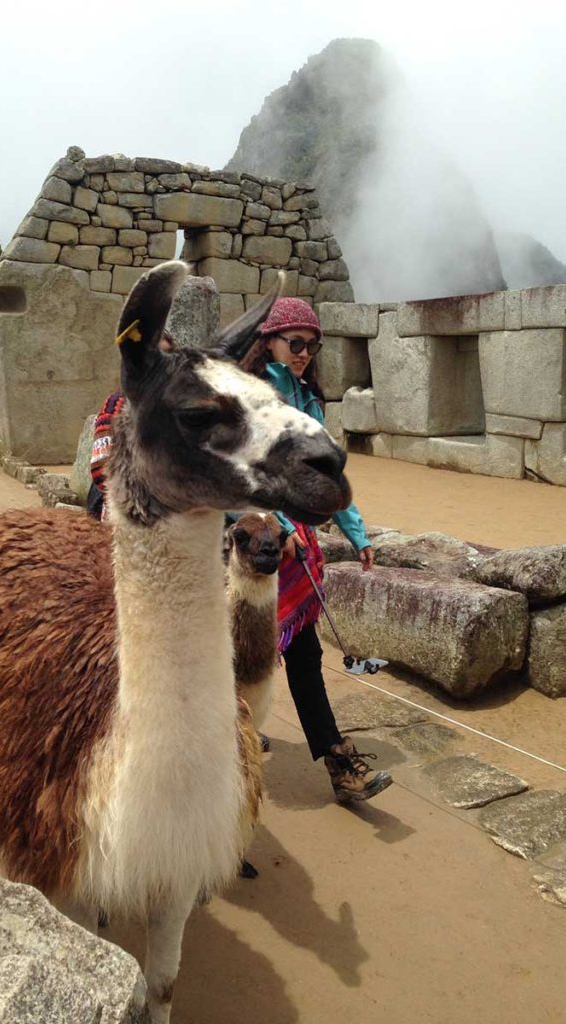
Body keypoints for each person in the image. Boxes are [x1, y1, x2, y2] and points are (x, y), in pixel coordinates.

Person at [241, 297, 393, 803]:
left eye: (312, 344)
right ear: (270, 342)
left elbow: (326, 477)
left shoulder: (308, 399)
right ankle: (227, 748)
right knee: (233, 655)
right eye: (296, 343)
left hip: (295, 552)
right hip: (252, 547)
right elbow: (244, 475)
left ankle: (338, 763)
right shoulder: (253, 399)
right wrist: (276, 530)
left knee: (303, 654)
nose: (304, 353)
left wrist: (357, 533)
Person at [87, 332, 175, 519]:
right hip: (128, 513)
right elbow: (101, 470)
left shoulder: (177, 409)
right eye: (152, 357)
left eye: (166, 357)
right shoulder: (117, 405)